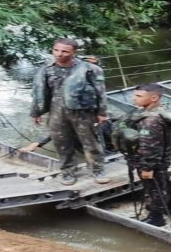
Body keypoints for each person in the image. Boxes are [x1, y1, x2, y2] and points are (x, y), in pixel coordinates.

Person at [24, 38, 110, 186]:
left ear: (74, 53)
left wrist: (102, 113)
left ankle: (98, 170)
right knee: (61, 143)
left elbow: (101, 92)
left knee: (90, 142)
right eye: (56, 50)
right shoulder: (46, 69)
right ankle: (68, 171)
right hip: (57, 110)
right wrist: (36, 112)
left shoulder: (90, 69)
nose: (59, 54)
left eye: (65, 51)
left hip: (83, 111)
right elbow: (39, 92)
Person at [116, 83, 171, 227]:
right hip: (164, 156)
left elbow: (150, 147)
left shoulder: (150, 121)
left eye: (138, 96)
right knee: (163, 182)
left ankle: (156, 217)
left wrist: (147, 168)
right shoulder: (163, 111)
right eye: (134, 95)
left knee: (155, 188)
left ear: (154, 98)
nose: (134, 99)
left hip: (153, 161)